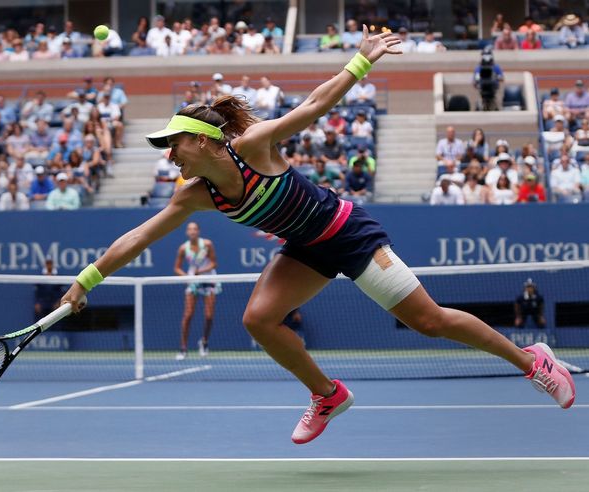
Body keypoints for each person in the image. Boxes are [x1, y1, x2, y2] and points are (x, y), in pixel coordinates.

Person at [60, 27, 575, 446]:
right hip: (304, 249)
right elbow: (138, 237)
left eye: (173, 145)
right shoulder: (193, 195)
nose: (168, 156)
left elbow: (312, 107)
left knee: (429, 322)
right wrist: (87, 279)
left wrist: (361, 61)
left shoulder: (255, 146)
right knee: (259, 319)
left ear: (203, 140)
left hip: (346, 233)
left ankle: (532, 361)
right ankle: (327, 394)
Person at [173, 222, 220, 360]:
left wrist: (201, 271)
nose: (192, 231)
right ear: (187, 232)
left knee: (209, 316)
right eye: (189, 229)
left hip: (209, 279)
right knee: (188, 315)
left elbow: (214, 263)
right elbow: (177, 268)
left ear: (198, 231)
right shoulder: (183, 248)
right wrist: (187, 276)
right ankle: (183, 348)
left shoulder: (207, 244)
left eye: (194, 229)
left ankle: (204, 342)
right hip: (193, 281)